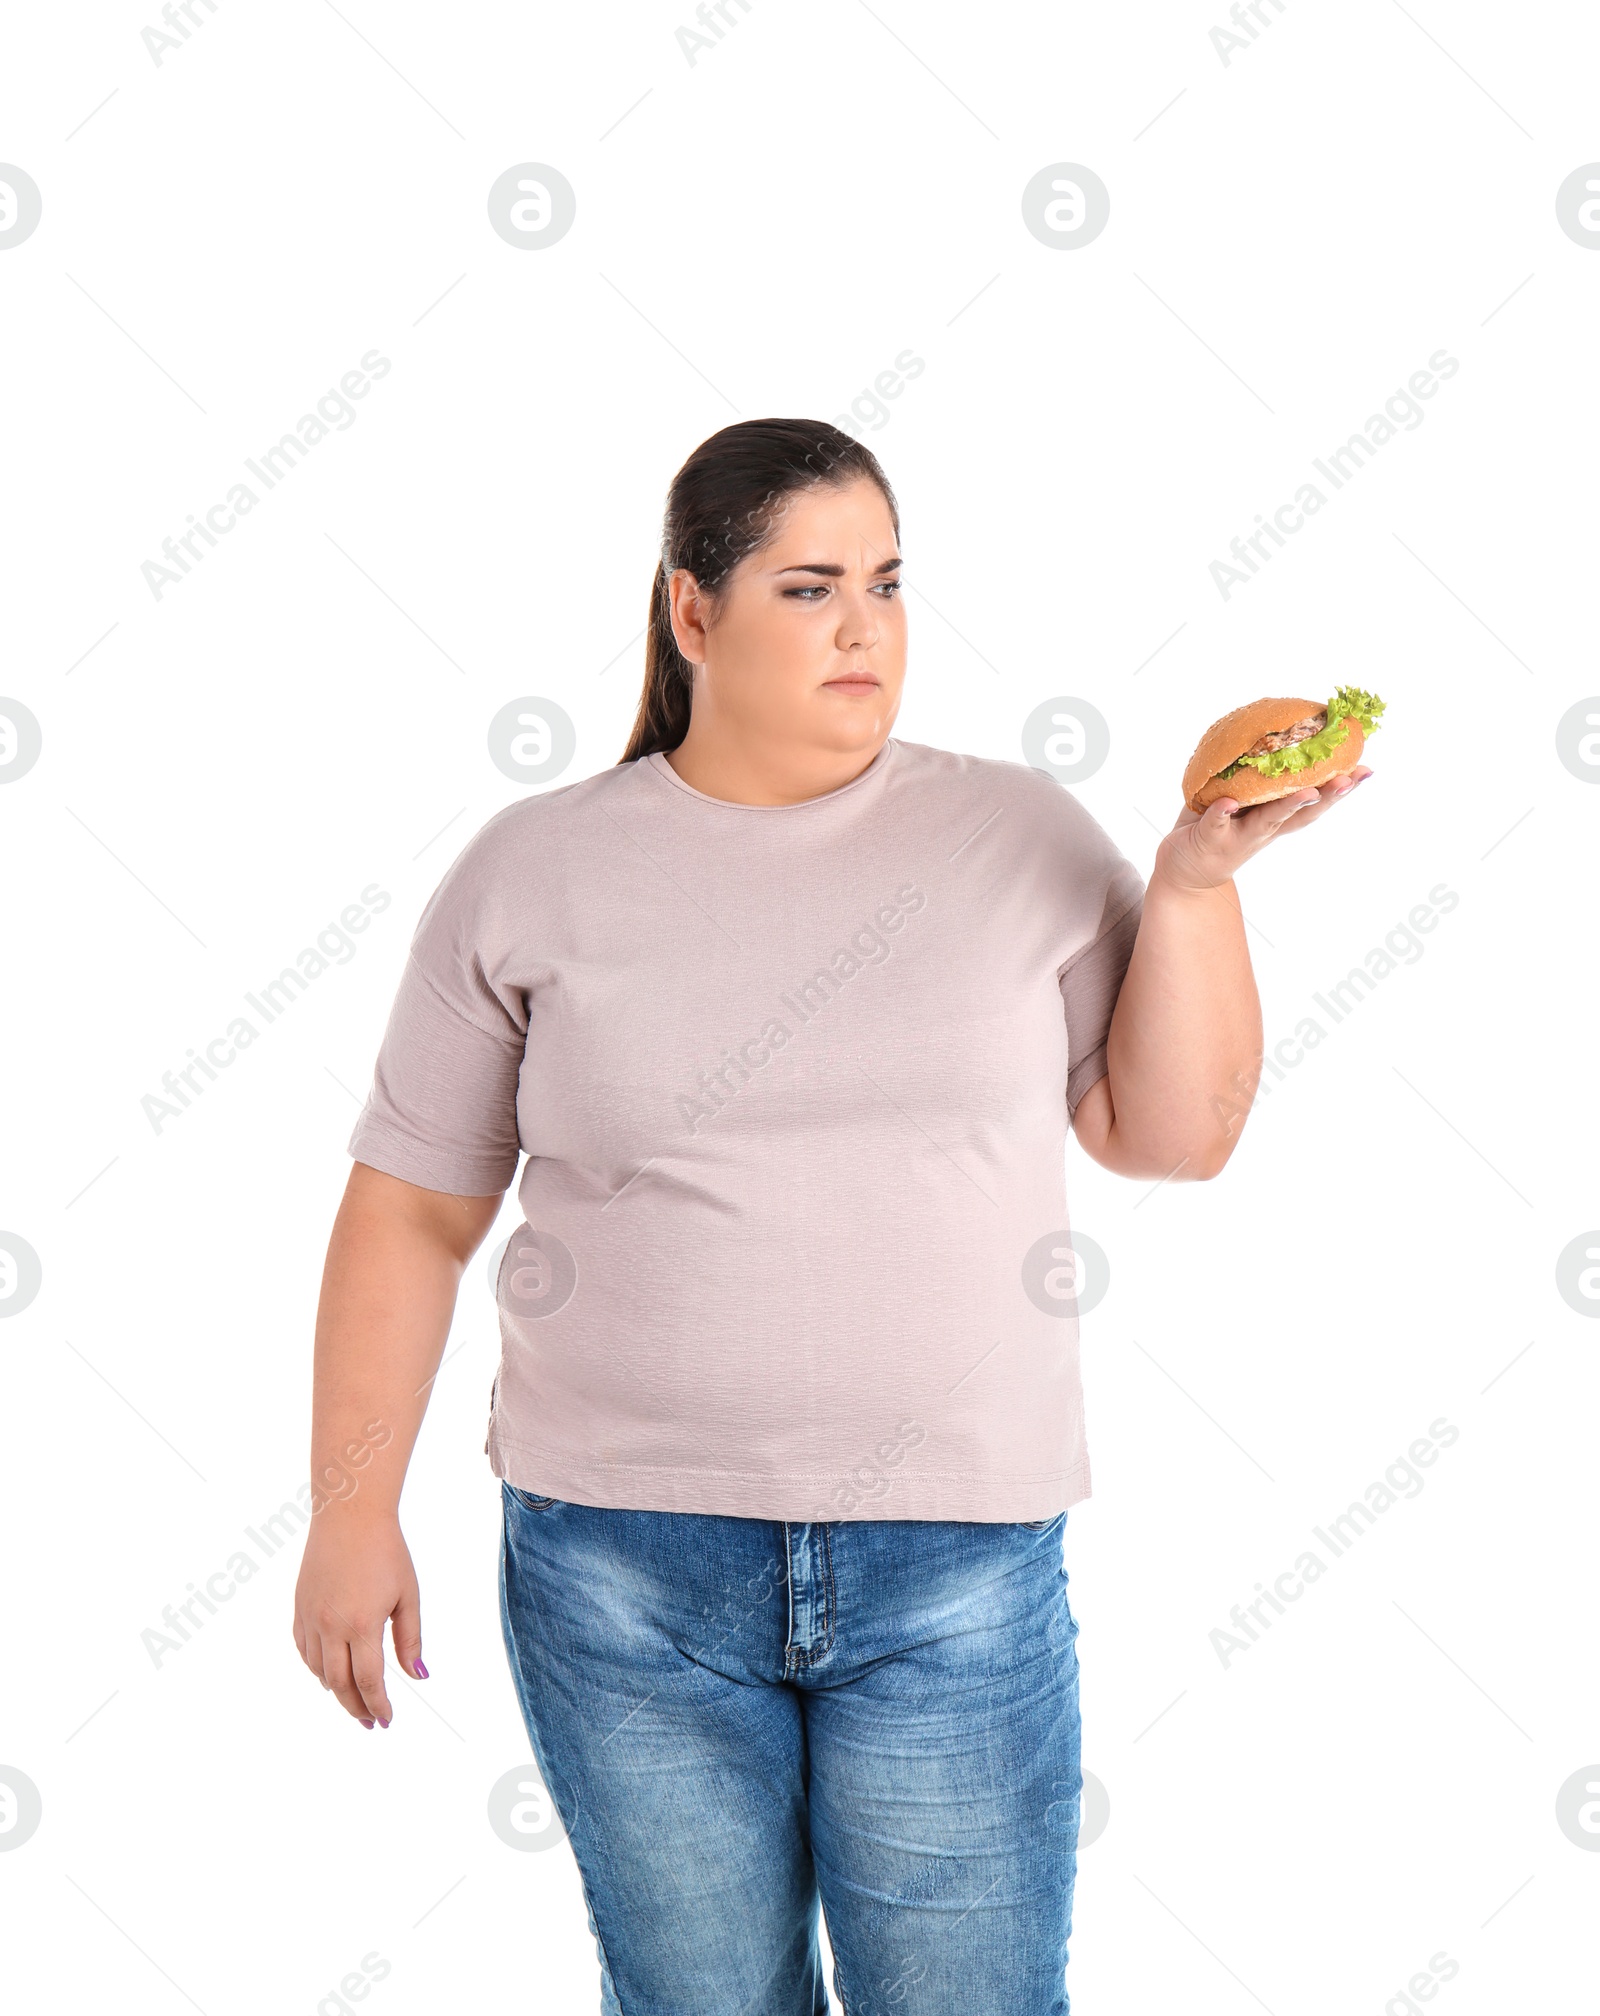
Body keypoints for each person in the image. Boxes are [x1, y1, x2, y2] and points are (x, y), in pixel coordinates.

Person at [293, 418, 1370, 2015]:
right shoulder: (534, 873)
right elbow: (408, 1211)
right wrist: (347, 1509)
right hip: (620, 1571)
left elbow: (1173, 1135)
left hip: (956, 1569)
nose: (865, 625)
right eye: (809, 586)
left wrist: (1197, 885)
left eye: (886, 580)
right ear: (692, 614)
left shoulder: (1021, 838)